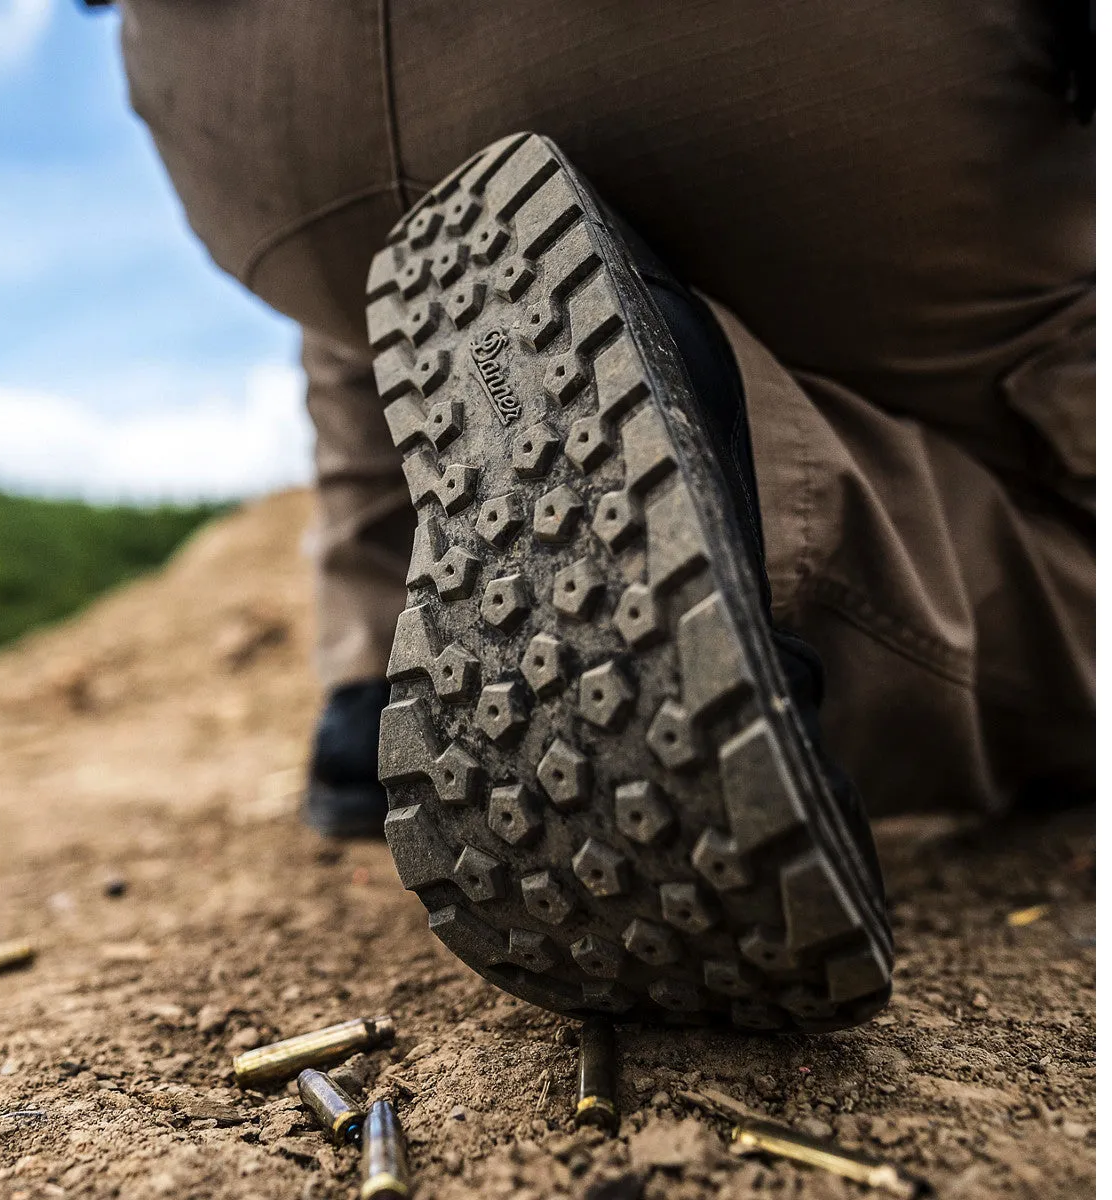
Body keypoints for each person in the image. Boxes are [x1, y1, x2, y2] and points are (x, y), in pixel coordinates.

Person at [97, 0, 1093, 1028]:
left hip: (247, 124)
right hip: (755, 54)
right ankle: (726, 493)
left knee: (379, 296)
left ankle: (369, 682)